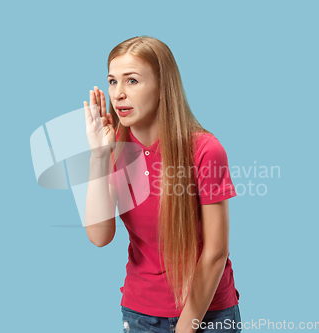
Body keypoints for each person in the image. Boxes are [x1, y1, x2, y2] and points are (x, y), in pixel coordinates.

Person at [83, 36, 241, 333]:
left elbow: (216, 251)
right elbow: (99, 236)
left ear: (162, 87)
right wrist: (98, 156)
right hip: (140, 313)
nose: (118, 94)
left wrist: (186, 327)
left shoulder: (206, 150)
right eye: (113, 81)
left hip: (210, 314)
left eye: (131, 81)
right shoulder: (114, 147)